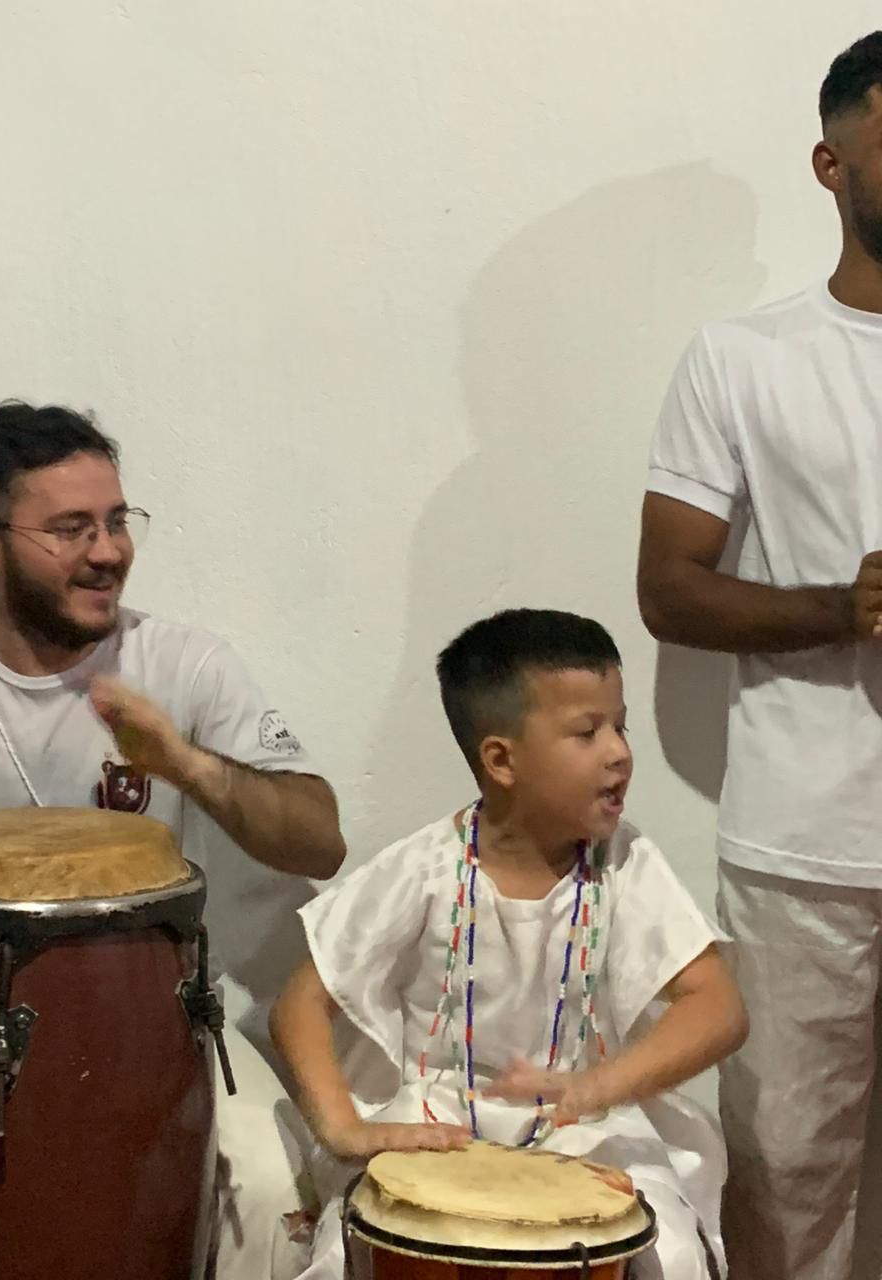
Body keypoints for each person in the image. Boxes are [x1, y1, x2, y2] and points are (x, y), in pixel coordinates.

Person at [0, 399, 346, 1280]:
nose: (109, 551)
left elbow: (319, 842)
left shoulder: (182, 665)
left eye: (117, 521)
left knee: (274, 1200)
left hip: (162, 1015)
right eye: (70, 528)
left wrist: (188, 765)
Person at [270, 608, 747, 1280]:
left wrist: (596, 1087)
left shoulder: (623, 863)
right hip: (439, 1121)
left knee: (668, 1250)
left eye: (621, 726)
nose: (618, 752)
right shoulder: (426, 869)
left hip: (581, 1125)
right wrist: (343, 1128)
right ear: (501, 759)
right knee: (349, 1241)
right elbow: (300, 1002)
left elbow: (719, 1007)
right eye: (587, 732)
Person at [637, 32, 882, 1279]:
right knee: (788, 1178)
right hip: (806, 847)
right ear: (831, 163)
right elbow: (668, 589)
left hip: (809, 847)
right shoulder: (743, 358)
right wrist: (846, 606)